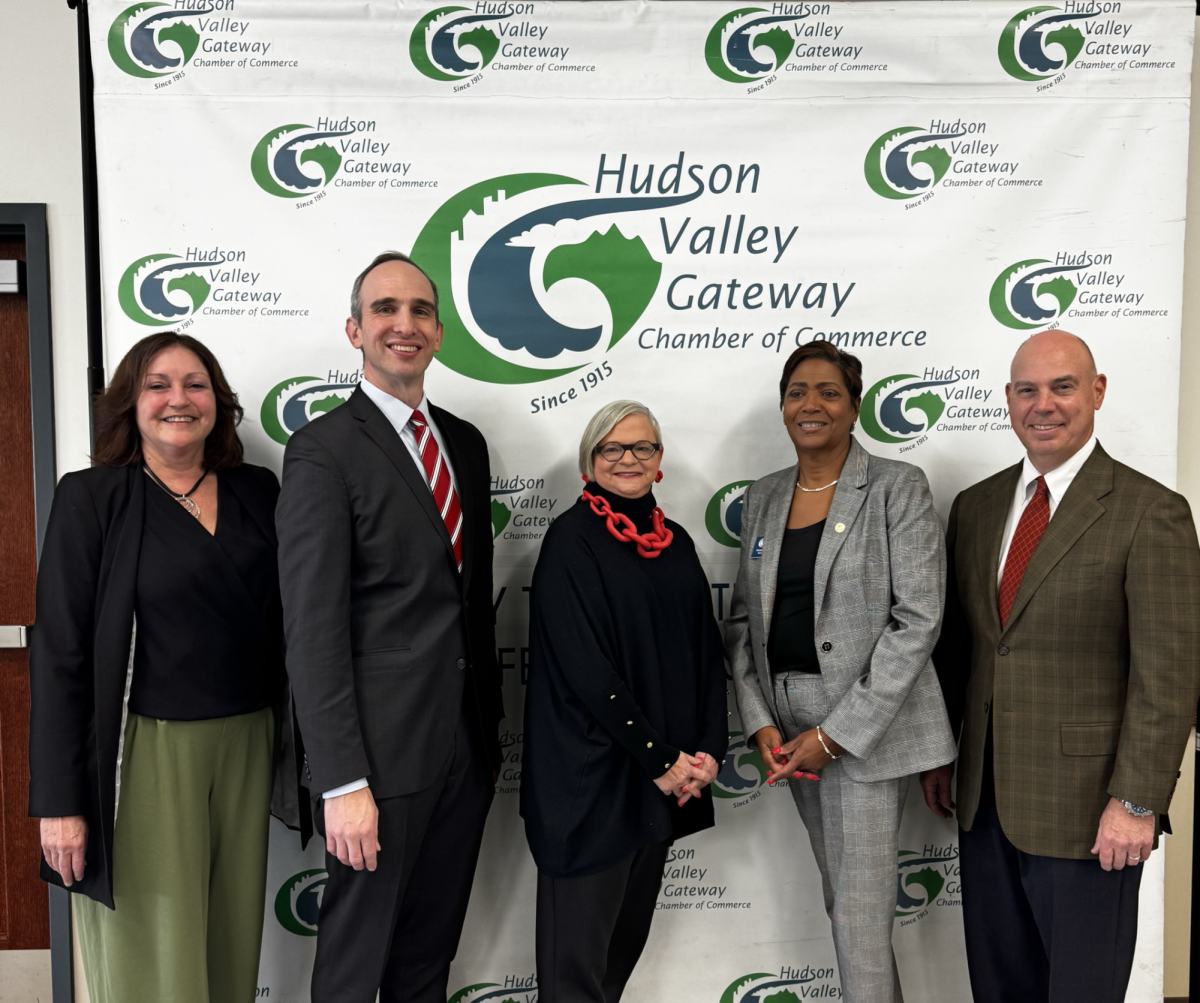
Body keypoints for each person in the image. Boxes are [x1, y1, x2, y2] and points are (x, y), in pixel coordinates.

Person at [920, 330, 1200, 1003]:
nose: (1043, 404)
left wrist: (1136, 799)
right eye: (1027, 389)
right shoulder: (978, 507)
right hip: (983, 805)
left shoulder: (1151, 512)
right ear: (1009, 401)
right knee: (999, 988)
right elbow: (962, 648)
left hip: (1091, 813)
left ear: (1096, 391)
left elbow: (1170, 674)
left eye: (1062, 386)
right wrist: (939, 752)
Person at [29, 332, 287, 1003]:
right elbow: (60, 654)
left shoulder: (259, 491)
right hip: (141, 750)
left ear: (218, 402)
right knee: (154, 951)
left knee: (229, 942)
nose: (179, 398)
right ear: (129, 404)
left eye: (196, 383)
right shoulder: (93, 498)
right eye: (158, 384)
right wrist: (60, 802)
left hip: (248, 742)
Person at [277, 251, 502, 1003]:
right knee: (353, 966)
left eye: (418, 310)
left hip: (463, 753)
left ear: (438, 331)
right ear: (355, 329)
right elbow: (312, 628)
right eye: (384, 309)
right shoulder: (322, 450)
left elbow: (468, 600)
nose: (403, 324)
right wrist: (341, 779)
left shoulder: (464, 444)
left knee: (425, 963)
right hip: (374, 761)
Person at [726, 340, 956, 1003]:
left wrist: (834, 735)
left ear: (855, 407)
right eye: (797, 391)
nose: (811, 404)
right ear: (782, 405)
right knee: (845, 902)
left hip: (864, 731)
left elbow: (918, 619)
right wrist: (760, 720)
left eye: (828, 391)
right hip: (788, 722)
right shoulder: (766, 496)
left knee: (857, 916)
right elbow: (744, 622)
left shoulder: (895, 486)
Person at [521, 400, 728, 1003]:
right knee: (573, 979)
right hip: (591, 788)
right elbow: (588, 671)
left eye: (642, 448)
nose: (628, 459)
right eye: (612, 449)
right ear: (590, 462)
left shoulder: (678, 541)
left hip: (661, 784)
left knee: (614, 968)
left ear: (660, 461)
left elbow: (704, 652)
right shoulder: (570, 541)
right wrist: (661, 759)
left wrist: (708, 751)